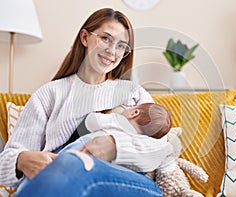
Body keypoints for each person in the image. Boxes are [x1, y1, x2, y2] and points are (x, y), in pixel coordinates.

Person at [0, 8, 173, 197]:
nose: (111, 51)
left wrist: (114, 147)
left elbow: (160, 150)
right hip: (64, 178)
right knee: (68, 164)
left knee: (74, 162)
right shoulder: (49, 94)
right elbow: (6, 163)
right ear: (85, 37)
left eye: (121, 46)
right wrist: (21, 160)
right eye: (105, 38)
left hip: (127, 183)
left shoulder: (133, 92)